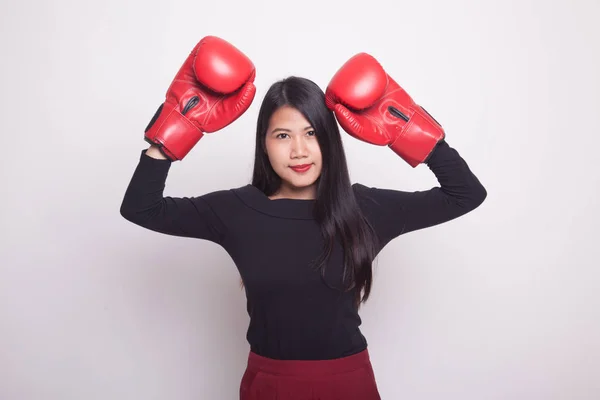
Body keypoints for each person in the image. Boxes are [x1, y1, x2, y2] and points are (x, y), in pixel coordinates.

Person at [120, 35, 487, 399]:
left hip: (349, 384)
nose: (299, 150)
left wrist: (410, 129)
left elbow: (465, 194)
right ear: (264, 142)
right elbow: (141, 207)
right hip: (270, 384)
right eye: (283, 135)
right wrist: (174, 128)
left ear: (329, 139)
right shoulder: (235, 210)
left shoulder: (365, 209)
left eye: (311, 133)